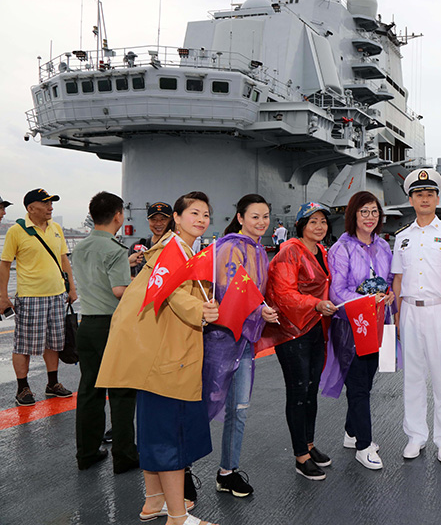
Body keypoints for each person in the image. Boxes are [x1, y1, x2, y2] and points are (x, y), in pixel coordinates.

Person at [96, 191, 219, 525]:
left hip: (155, 356)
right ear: (177, 218)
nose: (201, 219)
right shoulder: (172, 252)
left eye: (206, 214)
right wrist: (203, 311)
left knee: (153, 432)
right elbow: (173, 293)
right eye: (194, 213)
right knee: (171, 438)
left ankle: (153, 502)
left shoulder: (174, 249)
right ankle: (178, 516)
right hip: (168, 360)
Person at [202, 194, 279, 497]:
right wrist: (260, 310)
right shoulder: (231, 247)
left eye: (265, 216)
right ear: (240, 217)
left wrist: (261, 309)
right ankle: (180, 471)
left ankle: (227, 471)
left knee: (240, 408)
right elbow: (232, 287)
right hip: (221, 338)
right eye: (255, 216)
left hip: (244, 339)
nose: (261, 222)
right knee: (205, 406)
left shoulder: (257, 249)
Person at [260, 202, 336, 481]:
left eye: (323, 222)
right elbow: (283, 294)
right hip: (292, 331)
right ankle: (300, 456)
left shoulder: (320, 251)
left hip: (314, 327)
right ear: (301, 225)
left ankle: (309, 443)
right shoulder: (290, 251)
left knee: (311, 389)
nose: (319, 226)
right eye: (312, 221)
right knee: (298, 390)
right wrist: (316, 304)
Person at [391, 168, 441, 464]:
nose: (424, 198)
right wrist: (396, 315)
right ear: (410, 199)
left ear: (436, 198)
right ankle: (415, 436)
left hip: (440, 310)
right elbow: (397, 279)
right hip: (409, 311)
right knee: (414, 377)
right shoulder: (402, 237)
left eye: (430, 194)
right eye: (419, 194)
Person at [321, 191, 394, 471]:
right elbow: (337, 290)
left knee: (367, 381)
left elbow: (387, 281)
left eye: (374, 211)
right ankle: (364, 445)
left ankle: (352, 433)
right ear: (353, 215)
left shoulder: (384, 247)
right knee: (359, 386)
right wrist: (365, 301)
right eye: (364, 211)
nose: (370, 217)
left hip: (378, 322)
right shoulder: (342, 248)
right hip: (351, 325)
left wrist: (387, 296)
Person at [71, 192, 140, 473]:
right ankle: (124, 456)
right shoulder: (115, 249)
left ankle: (86, 454)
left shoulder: (81, 246)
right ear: (118, 216)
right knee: (122, 391)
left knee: (89, 390)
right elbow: (119, 291)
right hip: (112, 327)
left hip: (86, 325)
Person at [0, 188, 76, 406]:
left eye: (51, 203)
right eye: (46, 203)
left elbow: (63, 259)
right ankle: (22, 388)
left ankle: (53, 383)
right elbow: (5, 265)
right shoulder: (16, 231)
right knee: (24, 345)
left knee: (54, 343)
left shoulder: (56, 228)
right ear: (31, 208)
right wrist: (2, 296)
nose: (50, 207)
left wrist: (71, 288)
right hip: (30, 296)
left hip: (57, 295)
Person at [130, 202, 175, 276]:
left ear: (171, 220)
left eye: (163, 219)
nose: (158, 223)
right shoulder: (136, 247)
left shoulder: (177, 246)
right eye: (154, 219)